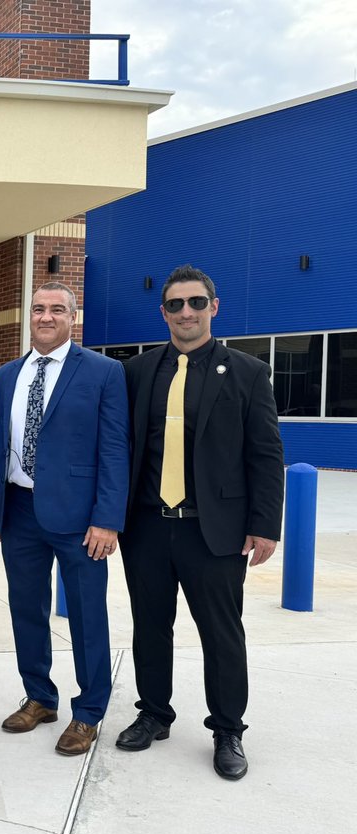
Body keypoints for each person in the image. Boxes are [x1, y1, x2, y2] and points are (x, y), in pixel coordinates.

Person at [116, 264, 284, 780]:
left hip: (213, 531)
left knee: (221, 632)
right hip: (146, 526)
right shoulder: (138, 371)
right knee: (150, 627)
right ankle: (154, 713)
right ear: (162, 311)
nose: (185, 312)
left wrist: (265, 525)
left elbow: (265, 454)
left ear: (214, 307)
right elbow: (121, 448)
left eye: (195, 302)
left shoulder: (247, 372)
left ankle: (228, 729)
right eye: (175, 304)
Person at [0, 283, 129, 756]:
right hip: (19, 509)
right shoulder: (7, 374)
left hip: (80, 518)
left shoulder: (104, 372)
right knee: (26, 609)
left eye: (56, 310)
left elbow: (114, 449)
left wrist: (107, 519)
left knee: (88, 617)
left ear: (73, 317)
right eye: (38, 309)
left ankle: (88, 713)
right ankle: (39, 698)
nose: (46, 317)